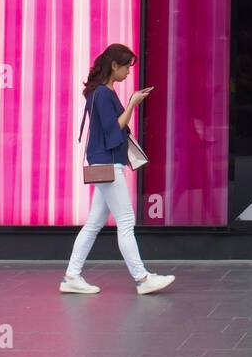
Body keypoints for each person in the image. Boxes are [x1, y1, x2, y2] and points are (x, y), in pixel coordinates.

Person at [61, 43, 175, 296]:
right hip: (108, 163)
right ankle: (142, 278)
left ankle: (72, 275)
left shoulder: (100, 92)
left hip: (104, 162)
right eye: (126, 67)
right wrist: (133, 103)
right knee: (125, 221)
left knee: (93, 223)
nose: (128, 72)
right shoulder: (103, 93)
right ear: (114, 66)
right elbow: (113, 131)